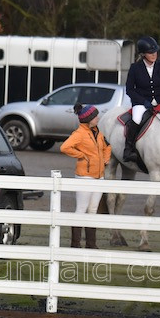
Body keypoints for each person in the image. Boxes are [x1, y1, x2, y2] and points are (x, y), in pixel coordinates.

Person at [60, 103, 111, 248]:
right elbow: (64, 147)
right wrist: (81, 155)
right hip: (85, 176)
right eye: (95, 116)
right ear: (89, 119)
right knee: (81, 209)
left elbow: (107, 146)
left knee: (93, 210)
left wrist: (106, 159)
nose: (98, 118)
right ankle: (75, 244)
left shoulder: (98, 132)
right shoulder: (79, 134)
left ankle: (91, 244)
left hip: (99, 176)